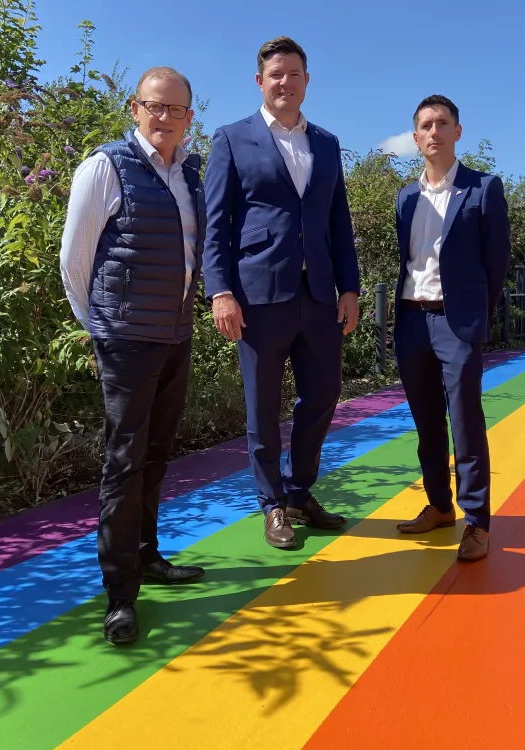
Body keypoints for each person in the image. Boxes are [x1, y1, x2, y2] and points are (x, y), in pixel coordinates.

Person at [59, 66, 206, 645]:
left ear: (190, 118)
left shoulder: (191, 174)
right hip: (126, 340)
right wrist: (100, 329)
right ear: (134, 107)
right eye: (155, 106)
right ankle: (121, 596)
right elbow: (75, 259)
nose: (165, 117)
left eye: (176, 109)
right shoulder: (105, 167)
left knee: (158, 454)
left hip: (175, 335)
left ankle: (147, 556)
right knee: (124, 462)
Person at [202, 36, 361, 548]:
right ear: (260, 82)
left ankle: (299, 492)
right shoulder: (230, 138)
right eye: (276, 74)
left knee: (322, 396)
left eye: (294, 74)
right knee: (262, 406)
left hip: (318, 296)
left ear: (306, 81)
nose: (285, 83)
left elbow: (339, 221)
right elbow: (216, 223)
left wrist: (351, 287)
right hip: (257, 297)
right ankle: (272, 506)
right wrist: (219, 291)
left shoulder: (328, 144)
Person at [391, 94, 511, 560]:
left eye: (443, 123)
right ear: (416, 137)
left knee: (465, 421)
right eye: (426, 125)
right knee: (425, 423)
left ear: (457, 132)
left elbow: (495, 262)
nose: (434, 132)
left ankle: (477, 521)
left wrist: (478, 313)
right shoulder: (405, 196)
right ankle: (439, 506)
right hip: (410, 319)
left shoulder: (484, 189)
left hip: (456, 321)